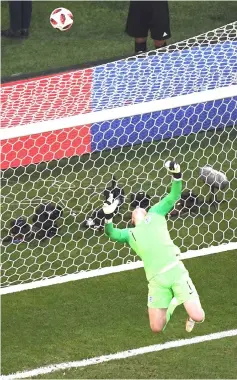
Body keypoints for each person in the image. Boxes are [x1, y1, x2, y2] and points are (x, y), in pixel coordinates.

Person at [103, 161, 205, 333]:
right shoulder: (129, 234)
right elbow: (111, 233)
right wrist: (108, 217)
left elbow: (173, 196)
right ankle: (174, 302)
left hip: (175, 271)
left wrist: (177, 176)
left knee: (198, 316)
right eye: (132, 212)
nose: (136, 209)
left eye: (139, 209)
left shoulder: (156, 212)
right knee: (156, 328)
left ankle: (181, 303)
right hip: (156, 282)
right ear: (132, 220)